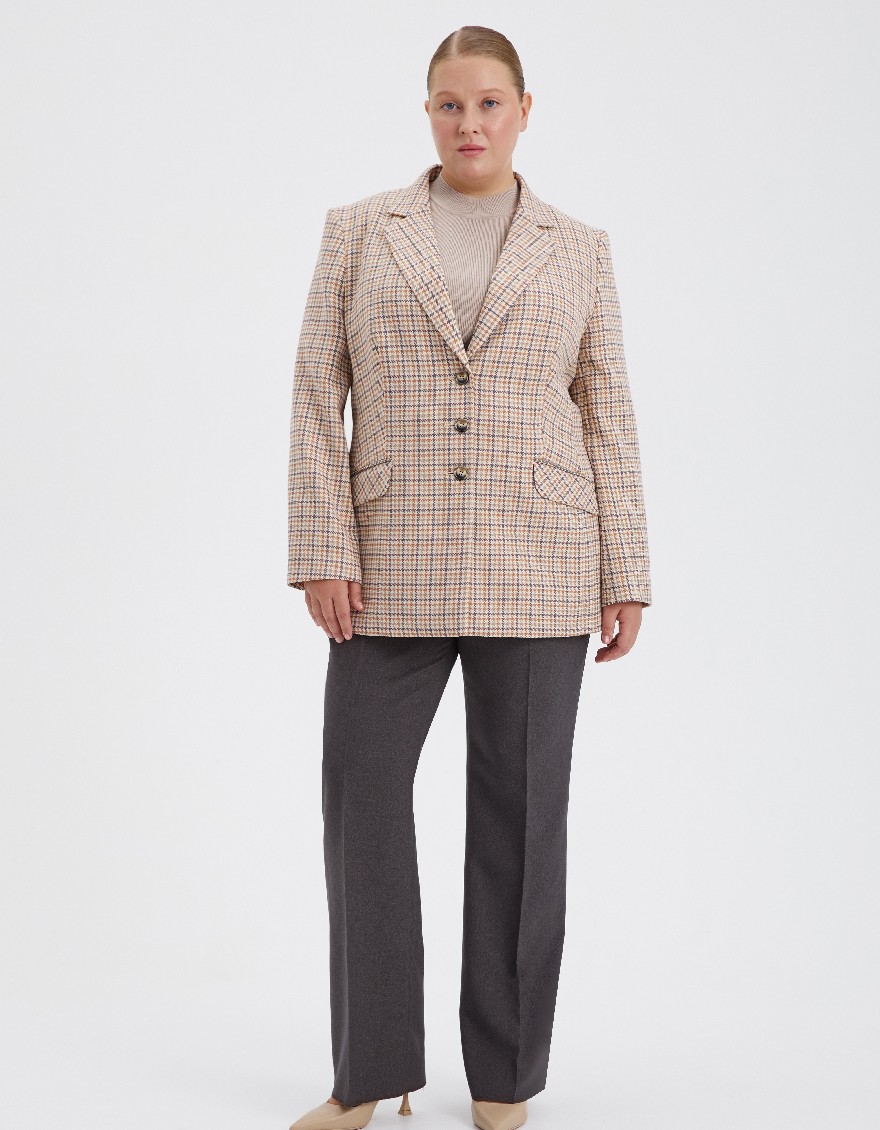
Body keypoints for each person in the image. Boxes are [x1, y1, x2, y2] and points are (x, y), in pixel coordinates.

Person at [286, 25, 652, 1130]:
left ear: (524, 110)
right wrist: (322, 548)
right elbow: (315, 391)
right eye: (450, 104)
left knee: (522, 815)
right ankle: (371, 1072)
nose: (469, 123)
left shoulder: (577, 247)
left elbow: (606, 409)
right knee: (361, 796)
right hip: (386, 560)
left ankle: (503, 1076)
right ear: (428, 112)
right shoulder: (360, 231)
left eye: (489, 103)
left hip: (540, 559)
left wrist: (626, 567)